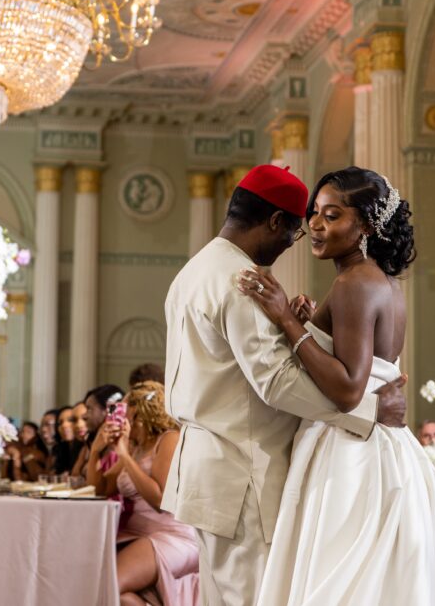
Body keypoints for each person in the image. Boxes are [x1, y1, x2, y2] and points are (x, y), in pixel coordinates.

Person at [160, 164, 408, 606]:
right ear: (276, 221)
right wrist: (370, 412)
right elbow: (275, 382)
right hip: (242, 476)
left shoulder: (194, 272)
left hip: (206, 468)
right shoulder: (242, 281)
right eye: (298, 228)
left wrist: (299, 326)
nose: (302, 237)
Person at [239, 166, 435, 604]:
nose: (314, 224)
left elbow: (349, 389)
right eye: (314, 213)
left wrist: (288, 321)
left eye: (332, 216)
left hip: (353, 454)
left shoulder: (354, 283)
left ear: (366, 225)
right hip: (383, 447)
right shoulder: (377, 279)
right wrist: (313, 323)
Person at [89, 381, 198, 605]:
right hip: (136, 533)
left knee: (109, 587)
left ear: (140, 413)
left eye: (125, 411)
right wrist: (95, 451)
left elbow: (160, 500)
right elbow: (99, 490)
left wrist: (125, 456)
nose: (122, 417)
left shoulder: (168, 439)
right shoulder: (137, 447)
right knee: (104, 587)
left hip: (170, 534)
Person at [72, 385, 124, 478]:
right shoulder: (91, 442)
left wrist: (95, 450)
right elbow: (74, 476)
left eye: (89, 409)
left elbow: (101, 489)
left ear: (108, 410)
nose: (84, 416)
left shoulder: (119, 446)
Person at [54, 406, 81, 475]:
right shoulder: (62, 449)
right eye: (60, 423)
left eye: (71, 420)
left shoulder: (85, 448)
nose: (64, 425)